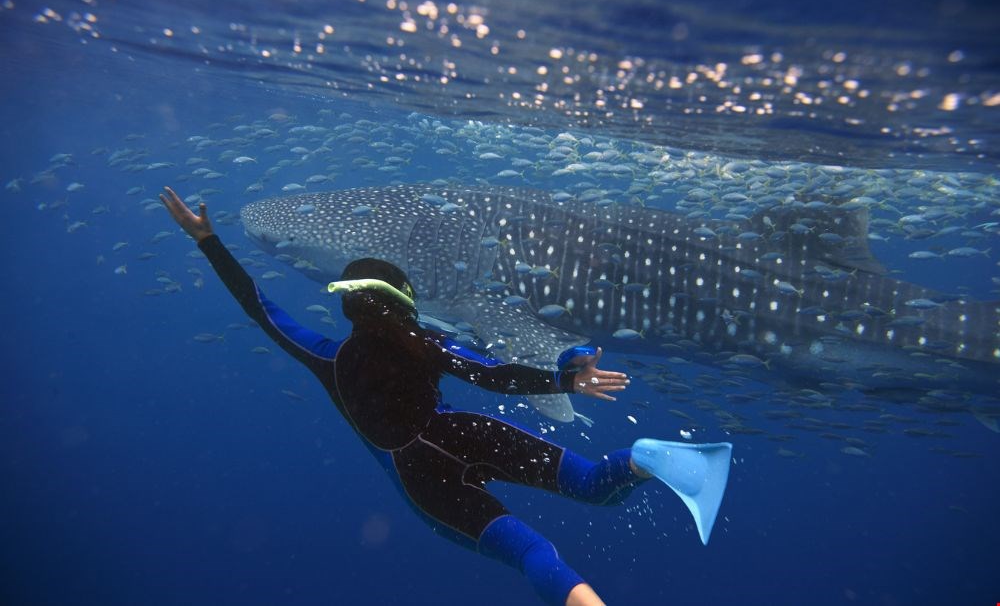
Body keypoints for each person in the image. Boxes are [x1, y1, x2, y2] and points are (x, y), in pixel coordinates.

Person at [161, 186, 733, 606]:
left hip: (422, 474)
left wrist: (209, 241)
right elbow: (498, 374)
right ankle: (648, 457)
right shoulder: (431, 344)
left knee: (533, 555)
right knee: (590, 483)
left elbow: (261, 310)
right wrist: (563, 377)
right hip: (468, 432)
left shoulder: (327, 358)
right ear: (404, 297)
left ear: (345, 302)